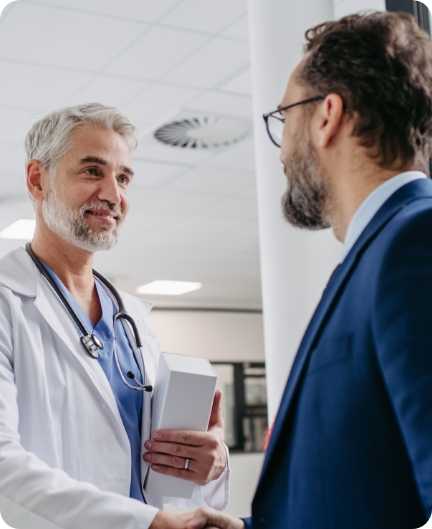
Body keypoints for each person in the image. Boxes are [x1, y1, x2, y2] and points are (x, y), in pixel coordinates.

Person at [186, 10, 432, 529]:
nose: (279, 155)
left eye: (285, 117)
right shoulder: (374, 253)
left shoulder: (415, 241)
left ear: (327, 116)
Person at [0, 103, 229, 529]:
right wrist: (143, 523)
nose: (113, 194)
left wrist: (209, 459)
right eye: (92, 171)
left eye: (123, 178)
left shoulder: (133, 317)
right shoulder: (7, 303)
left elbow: (149, 458)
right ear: (37, 179)